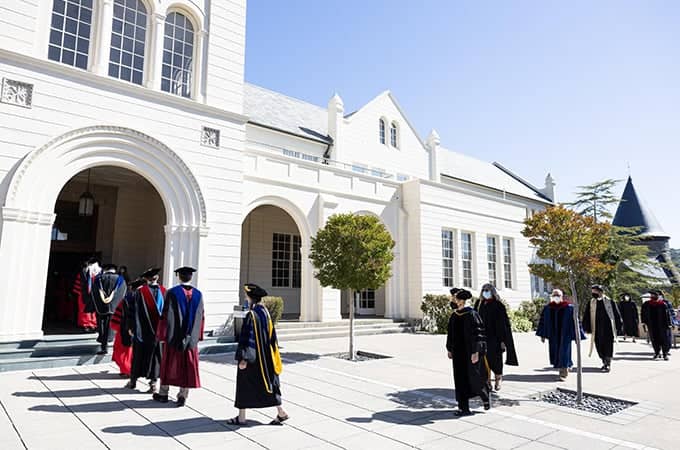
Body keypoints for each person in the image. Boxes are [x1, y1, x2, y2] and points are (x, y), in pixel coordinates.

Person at [229, 283, 288, 426]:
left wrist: (244, 358)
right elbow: (272, 336)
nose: (245, 296)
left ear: (250, 297)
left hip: (254, 358)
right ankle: (281, 411)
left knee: (244, 384)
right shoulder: (265, 312)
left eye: (246, 295)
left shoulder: (252, 315)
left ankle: (241, 417)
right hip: (267, 357)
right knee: (269, 384)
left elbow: (248, 338)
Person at [154, 267, 205, 407]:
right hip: (191, 339)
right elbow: (201, 316)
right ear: (191, 277)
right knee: (187, 366)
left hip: (174, 337)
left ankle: (163, 393)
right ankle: (183, 395)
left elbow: (166, 316)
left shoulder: (172, 292)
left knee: (169, 364)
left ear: (179, 277)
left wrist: (163, 335)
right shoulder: (198, 295)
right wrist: (197, 336)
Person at [447, 289, 491, 416]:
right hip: (458, 353)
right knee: (460, 379)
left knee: (475, 377)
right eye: (454, 299)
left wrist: (476, 351)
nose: (454, 301)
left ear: (462, 300)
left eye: (456, 299)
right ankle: (463, 408)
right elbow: (450, 334)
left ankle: (485, 394)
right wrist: (449, 348)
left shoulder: (472, 314)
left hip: (470, 352)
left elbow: (479, 334)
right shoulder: (454, 315)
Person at [473, 283, 518, 391]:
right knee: (484, 360)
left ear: (492, 291)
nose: (485, 292)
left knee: (496, 360)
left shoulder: (498, 305)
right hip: (482, 337)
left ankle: (498, 379)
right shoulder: (479, 304)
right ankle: (487, 382)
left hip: (495, 338)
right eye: (484, 290)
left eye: (487, 290)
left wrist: (503, 340)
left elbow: (504, 324)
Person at [127, 267, 165, 392]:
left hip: (141, 332)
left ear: (146, 279)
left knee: (138, 356)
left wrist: (131, 327)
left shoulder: (139, 292)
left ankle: (133, 381)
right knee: (155, 358)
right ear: (157, 278)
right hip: (158, 333)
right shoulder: (165, 292)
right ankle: (153, 383)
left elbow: (131, 312)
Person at [536, 289, 585, 381]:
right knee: (556, 353)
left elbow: (576, 322)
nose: (556, 297)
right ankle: (566, 366)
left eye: (558, 295)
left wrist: (577, 336)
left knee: (564, 353)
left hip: (565, 335)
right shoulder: (548, 308)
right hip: (553, 335)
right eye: (554, 295)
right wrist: (542, 335)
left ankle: (563, 372)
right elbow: (543, 322)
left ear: (562, 296)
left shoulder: (569, 308)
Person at [582, 285, 623, 372]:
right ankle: (603, 360)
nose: (593, 293)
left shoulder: (610, 302)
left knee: (608, 346)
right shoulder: (591, 302)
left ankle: (607, 363)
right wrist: (587, 327)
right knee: (599, 346)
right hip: (596, 328)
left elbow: (616, 315)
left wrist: (618, 327)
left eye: (595, 291)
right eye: (592, 291)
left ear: (600, 292)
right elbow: (587, 315)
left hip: (608, 328)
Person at [110, 278, 144, 377]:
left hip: (125, 330)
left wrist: (116, 327)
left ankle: (127, 370)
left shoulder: (126, 301)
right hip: (138, 331)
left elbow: (117, 317)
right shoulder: (145, 301)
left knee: (124, 351)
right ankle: (128, 370)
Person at [92, 264, 127, 355]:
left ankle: (103, 344)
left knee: (102, 325)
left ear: (105, 269)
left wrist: (99, 303)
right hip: (114, 307)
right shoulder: (120, 280)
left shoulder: (98, 279)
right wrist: (116, 304)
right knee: (110, 325)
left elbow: (94, 292)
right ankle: (108, 342)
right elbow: (122, 293)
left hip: (101, 307)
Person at [641, 290, 672, 360]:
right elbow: (643, 314)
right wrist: (644, 323)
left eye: (654, 295)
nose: (653, 296)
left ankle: (665, 354)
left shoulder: (663, 304)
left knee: (664, 340)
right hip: (652, 325)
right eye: (652, 295)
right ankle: (657, 353)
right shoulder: (646, 304)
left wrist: (669, 324)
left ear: (658, 296)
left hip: (662, 325)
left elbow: (667, 315)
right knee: (654, 339)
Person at [73, 259, 97, 332]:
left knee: (88, 310)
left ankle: (89, 325)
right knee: (87, 310)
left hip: (86, 294)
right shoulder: (84, 274)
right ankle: (88, 324)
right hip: (86, 294)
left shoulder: (92, 274)